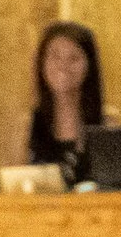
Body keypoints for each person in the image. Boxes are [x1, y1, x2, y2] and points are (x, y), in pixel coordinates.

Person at [26, 21, 108, 188]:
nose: (63, 66)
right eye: (55, 56)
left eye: (74, 58)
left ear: (89, 65)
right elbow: (12, 189)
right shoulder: (26, 125)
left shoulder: (107, 122)